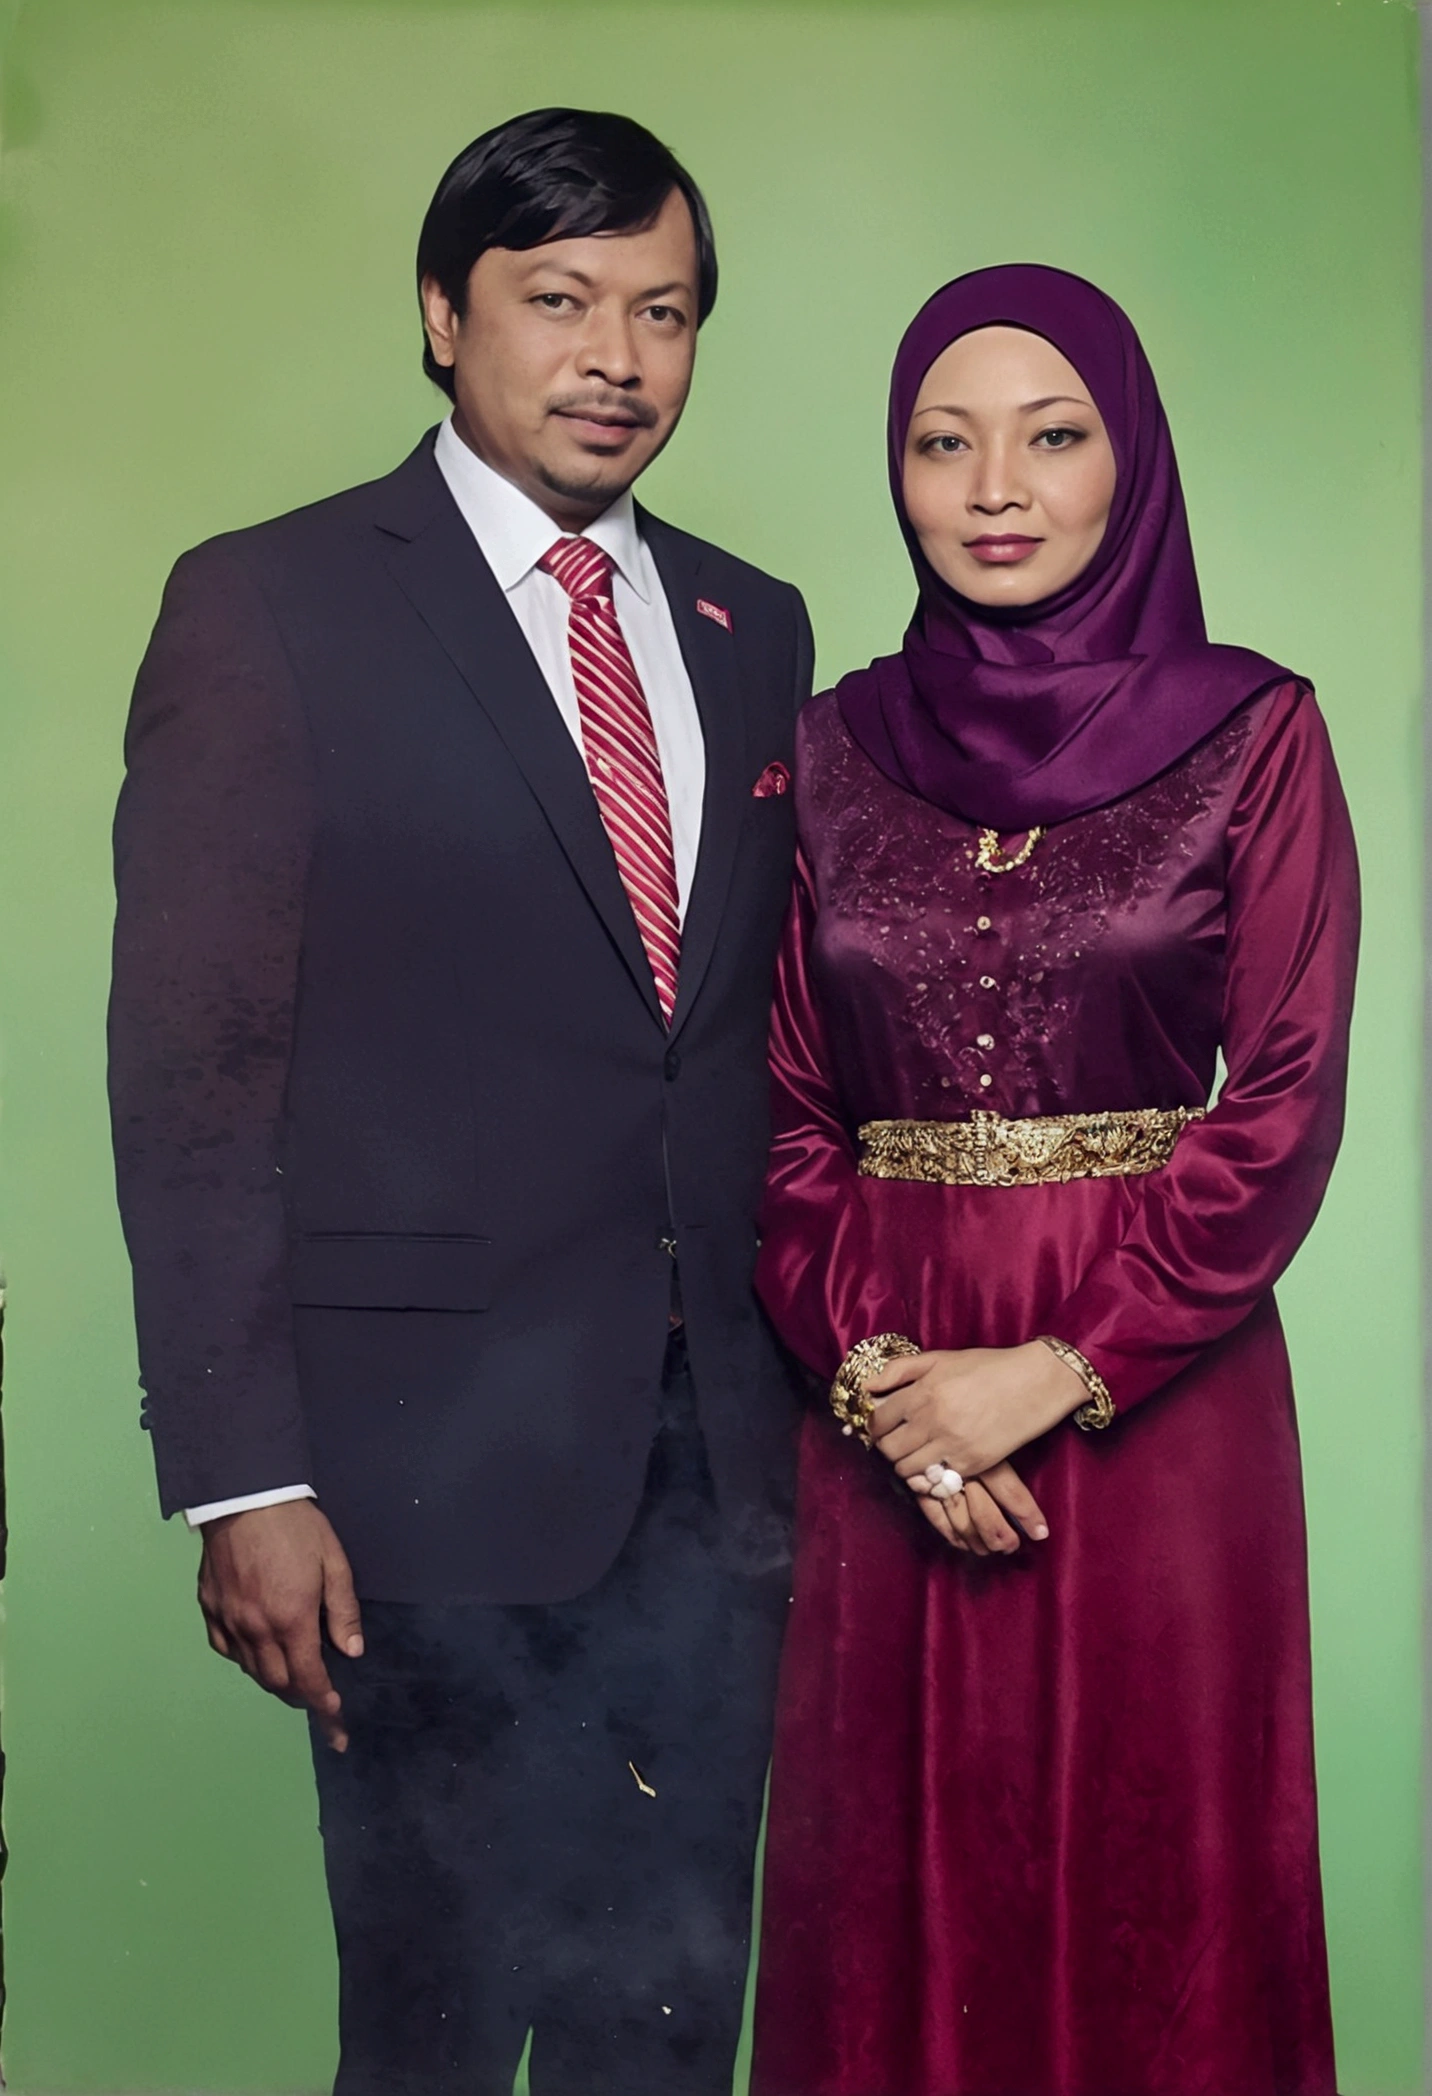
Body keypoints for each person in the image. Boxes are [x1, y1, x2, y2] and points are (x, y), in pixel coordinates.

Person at [108, 107, 812, 2096]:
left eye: (662, 312)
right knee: (425, 2042)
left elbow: (733, 1046)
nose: (617, 357)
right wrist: (243, 1477)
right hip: (417, 1486)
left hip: (713, 1482)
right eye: (559, 300)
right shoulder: (274, 605)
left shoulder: (748, 629)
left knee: (665, 2032)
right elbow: (190, 1070)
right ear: (443, 317)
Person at [749, 264, 1357, 2096]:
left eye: (1053, 434)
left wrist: (1055, 1369)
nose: (995, 486)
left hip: (1154, 1408)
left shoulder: (1256, 735)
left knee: (1154, 1887)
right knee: (894, 1898)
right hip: (887, 1401)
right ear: (899, 474)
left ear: (1131, 462)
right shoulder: (833, 749)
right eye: (944, 443)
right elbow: (781, 1116)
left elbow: (1290, 1102)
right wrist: (885, 1384)